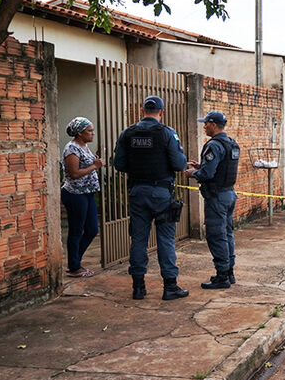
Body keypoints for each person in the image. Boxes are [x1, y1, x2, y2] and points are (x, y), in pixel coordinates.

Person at [113, 95, 189, 301]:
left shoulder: (127, 133)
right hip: (161, 193)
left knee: (138, 239)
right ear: (161, 112)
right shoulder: (167, 133)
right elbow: (180, 164)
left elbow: (118, 164)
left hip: (138, 191)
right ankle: (170, 287)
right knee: (165, 239)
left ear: (141, 111)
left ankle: (138, 287)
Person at [185, 111, 239, 289]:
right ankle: (229, 272)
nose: (204, 126)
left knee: (216, 235)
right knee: (227, 233)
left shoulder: (214, 145)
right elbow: (220, 168)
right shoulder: (231, 143)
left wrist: (194, 173)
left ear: (214, 125)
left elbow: (208, 174)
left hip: (217, 197)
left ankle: (222, 276)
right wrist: (202, 166)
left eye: (206, 123)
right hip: (229, 194)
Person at [60, 117, 104, 278]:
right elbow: (74, 173)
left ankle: (75, 261)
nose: (92, 133)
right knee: (76, 230)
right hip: (75, 194)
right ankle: (74, 266)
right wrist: (95, 166)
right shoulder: (71, 148)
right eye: (89, 131)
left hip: (87, 193)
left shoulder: (84, 146)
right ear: (79, 133)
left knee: (92, 229)